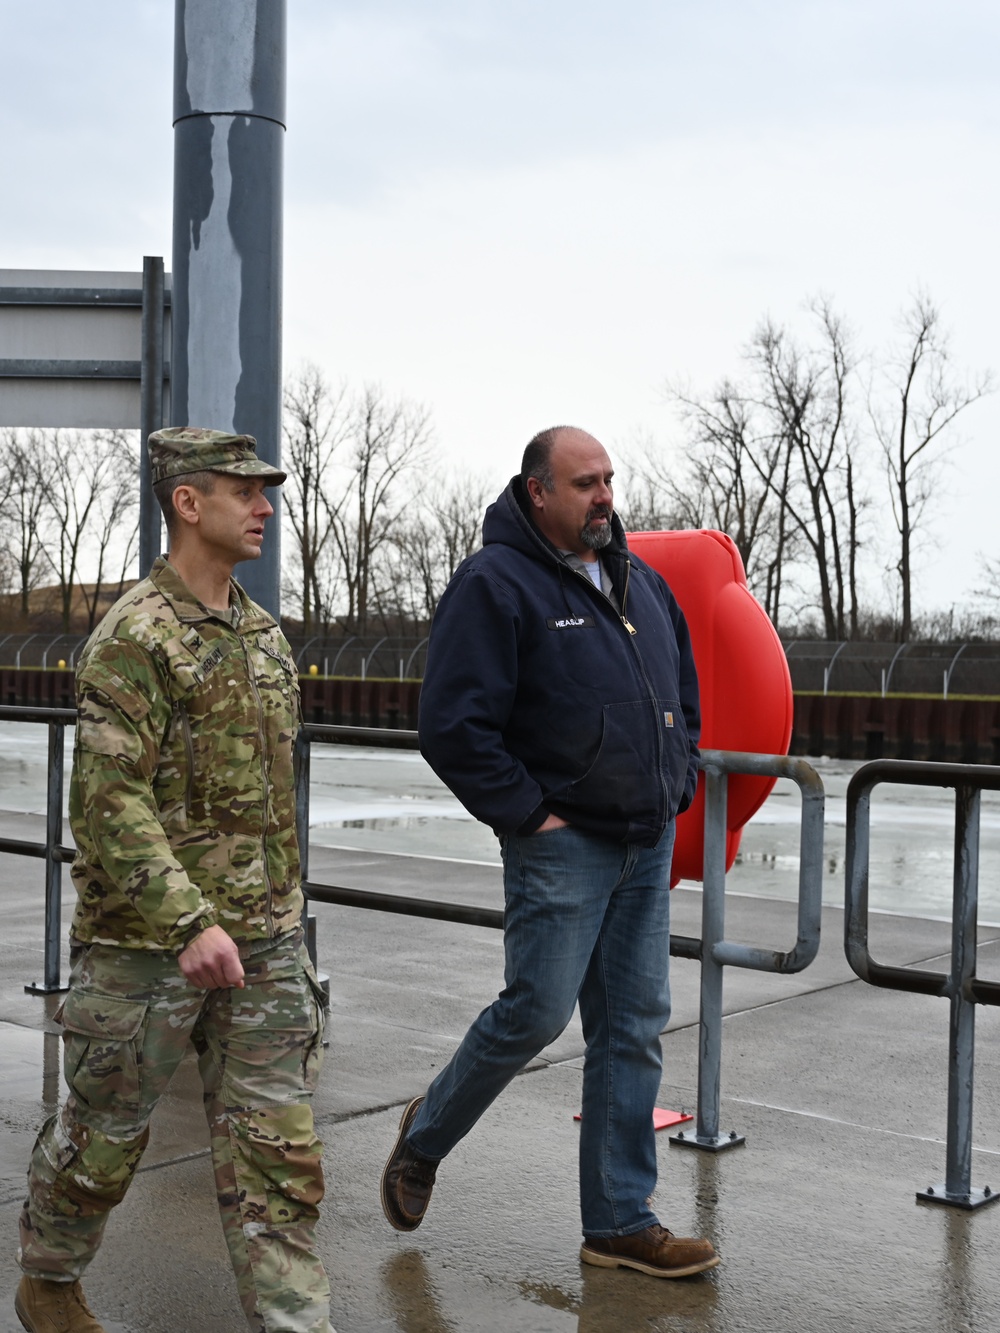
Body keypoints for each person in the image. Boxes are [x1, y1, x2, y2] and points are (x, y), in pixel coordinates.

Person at [380, 425, 720, 1279]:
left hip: (644, 841)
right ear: (537, 492)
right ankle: (425, 1134)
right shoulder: (495, 584)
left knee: (634, 1028)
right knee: (534, 1013)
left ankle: (619, 1221)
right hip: (563, 846)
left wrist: (678, 778)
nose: (603, 496)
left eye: (608, 479)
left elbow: (680, 693)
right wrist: (530, 814)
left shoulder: (640, 581)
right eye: (583, 482)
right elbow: (452, 725)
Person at [15, 428, 333, 1333]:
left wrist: (283, 919)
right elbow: (108, 801)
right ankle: (48, 1279)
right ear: (188, 503)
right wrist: (190, 921)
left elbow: (274, 801)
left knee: (280, 1161)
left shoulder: (264, 638)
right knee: (100, 1144)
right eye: (245, 490)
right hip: (145, 949)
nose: (265, 506)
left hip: (264, 947)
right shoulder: (134, 636)